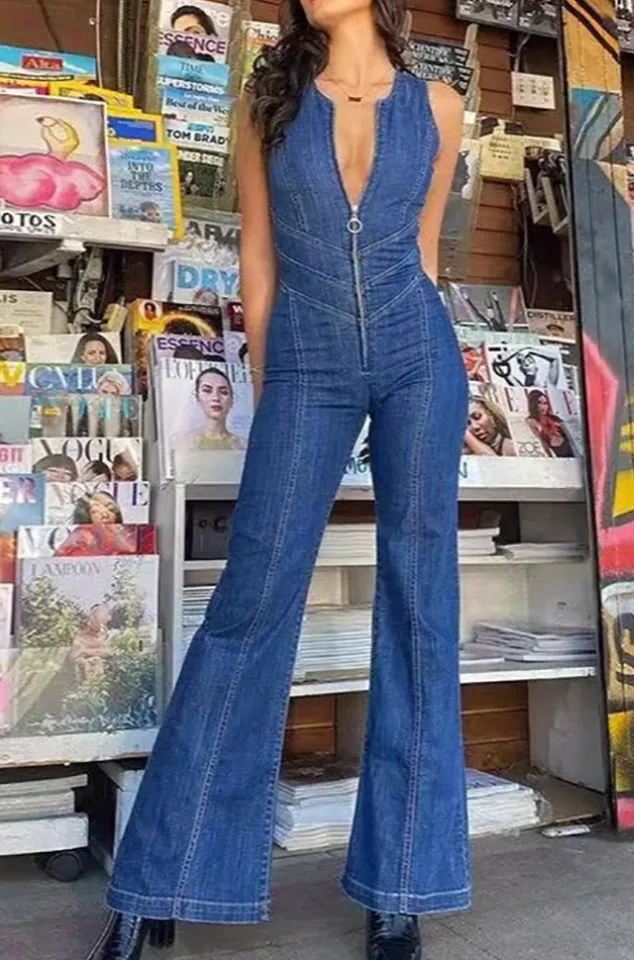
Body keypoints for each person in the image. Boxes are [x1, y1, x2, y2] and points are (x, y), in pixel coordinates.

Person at [90, 2, 468, 958]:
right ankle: (160, 877)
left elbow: (425, 251)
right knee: (250, 602)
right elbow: (257, 258)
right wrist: (274, 377)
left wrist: (424, 339)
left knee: (421, 602)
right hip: (306, 356)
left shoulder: (440, 106)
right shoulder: (270, 99)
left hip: (419, 354)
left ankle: (401, 884)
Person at [174, 367, 244, 452]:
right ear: (197, 398)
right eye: (207, 391)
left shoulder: (243, 445)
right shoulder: (183, 442)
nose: (216, 398)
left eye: (224, 392)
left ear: (232, 400)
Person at [524, 389, 575, 458]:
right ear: (533, 404)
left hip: (567, 447)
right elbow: (541, 440)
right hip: (554, 450)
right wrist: (549, 456)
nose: (543, 407)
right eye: (539, 403)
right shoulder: (531, 421)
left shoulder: (555, 419)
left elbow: (570, 438)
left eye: (545, 403)